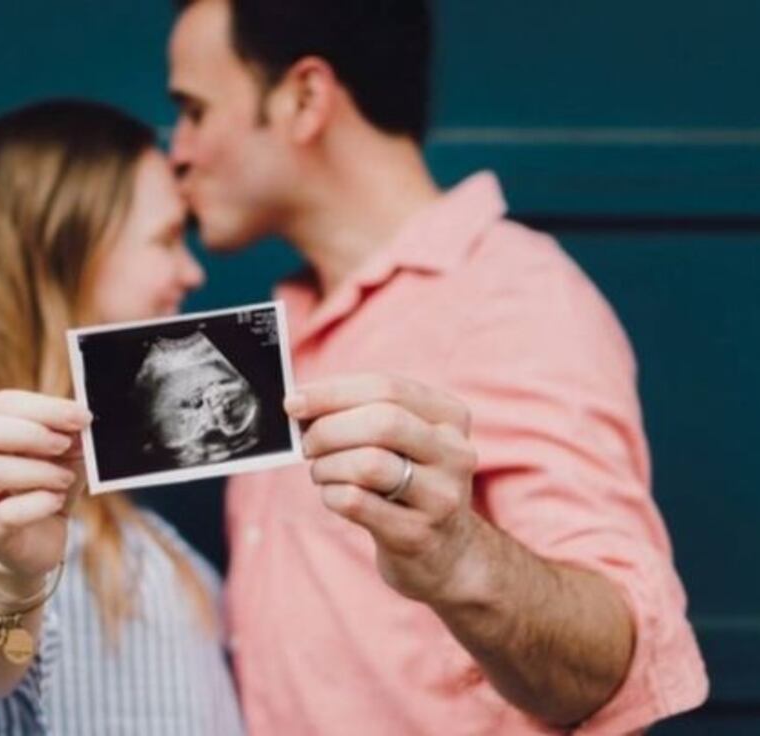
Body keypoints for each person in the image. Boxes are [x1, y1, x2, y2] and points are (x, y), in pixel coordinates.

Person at [161, 0, 709, 733]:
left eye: (195, 110)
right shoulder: (276, 332)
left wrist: (456, 557)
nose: (179, 152)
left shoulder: (514, 299)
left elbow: (613, 667)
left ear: (304, 98)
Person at [0, 99, 244, 735]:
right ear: (64, 248)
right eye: (167, 238)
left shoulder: (107, 499)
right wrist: (8, 573)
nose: (191, 271)